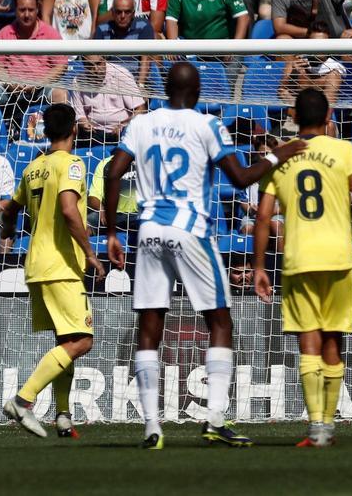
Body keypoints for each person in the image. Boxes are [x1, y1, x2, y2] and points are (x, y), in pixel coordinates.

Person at [104, 62, 307, 449]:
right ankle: (215, 416)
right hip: (190, 229)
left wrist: (113, 230)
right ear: (197, 93)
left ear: (166, 90)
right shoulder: (207, 125)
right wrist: (281, 154)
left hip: (148, 231)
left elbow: (113, 173)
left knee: (151, 322)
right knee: (220, 319)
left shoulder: (141, 124)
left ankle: (151, 426)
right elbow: (242, 178)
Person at [252, 88, 352, 448]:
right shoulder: (344, 150)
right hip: (340, 257)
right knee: (334, 340)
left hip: (299, 258)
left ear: (294, 118)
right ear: (329, 119)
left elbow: (264, 216)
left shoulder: (282, 157)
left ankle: (316, 426)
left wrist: (259, 266)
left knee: (308, 342)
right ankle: (328, 423)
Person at [0, 104, 104, 439]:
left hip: (35, 264)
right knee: (83, 341)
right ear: (75, 129)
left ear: (44, 131)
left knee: (65, 340)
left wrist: (8, 232)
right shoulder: (73, 164)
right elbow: (69, 209)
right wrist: (90, 253)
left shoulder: (33, 168)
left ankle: (63, 415)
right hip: (62, 265)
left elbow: (11, 208)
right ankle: (22, 400)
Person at [69, 55, 146, 145]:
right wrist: (84, 122)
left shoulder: (121, 74)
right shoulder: (78, 81)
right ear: (83, 64)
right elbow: (79, 114)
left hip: (121, 133)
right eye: (90, 66)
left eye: (98, 63)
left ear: (104, 59)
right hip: (93, 133)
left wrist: (124, 125)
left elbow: (141, 109)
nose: (96, 69)